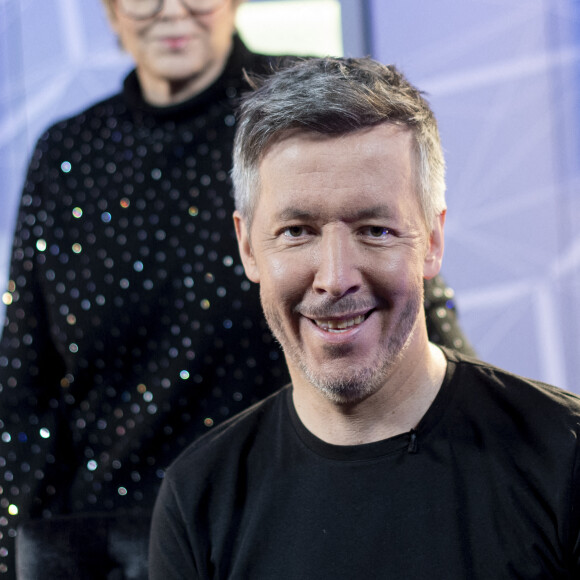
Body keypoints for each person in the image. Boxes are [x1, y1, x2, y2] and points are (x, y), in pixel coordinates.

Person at [0, 1, 473, 578]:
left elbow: (404, 302)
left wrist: (478, 465)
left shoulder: (307, 118)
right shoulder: (65, 154)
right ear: (111, 11)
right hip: (111, 546)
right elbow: (27, 384)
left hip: (286, 524)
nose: (171, 11)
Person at [149, 56, 580, 579]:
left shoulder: (565, 457)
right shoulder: (198, 497)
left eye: (375, 230)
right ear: (248, 247)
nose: (335, 278)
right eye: (297, 231)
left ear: (433, 241)